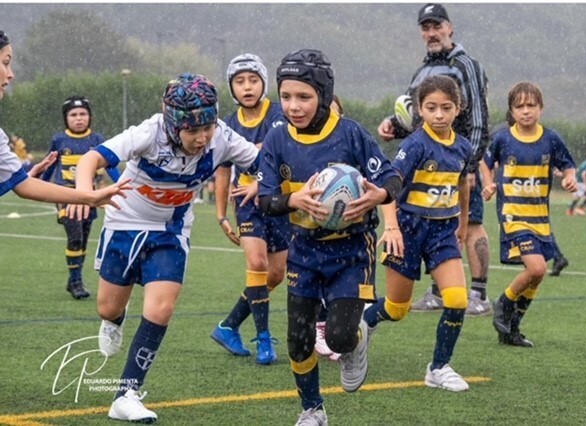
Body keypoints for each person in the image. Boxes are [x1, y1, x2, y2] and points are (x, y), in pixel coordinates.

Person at [70, 73, 261, 423]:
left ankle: (126, 394)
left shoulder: (223, 137)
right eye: (192, 131)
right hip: (125, 222)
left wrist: (263, 183)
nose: (202, 138)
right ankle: (115, 319)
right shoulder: (149, 132)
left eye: (207, 128)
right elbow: (90, 159)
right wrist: (84, 194)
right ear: (173, 125)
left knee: (161, 308)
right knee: (107, 307)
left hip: (171, 231)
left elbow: (266, 163)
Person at [258, 49, 401, 426]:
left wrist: (379, 195)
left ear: (323, 95)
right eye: (286, 96)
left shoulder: (350, 133)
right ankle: (313, 409)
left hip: (352, 251)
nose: (293, 106)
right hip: (303, 252)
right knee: (299, 339)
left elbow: (391, 177)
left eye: (304, 96)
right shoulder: (276, 140)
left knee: (337, 337)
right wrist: (293, 200)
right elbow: (265, 200)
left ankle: (356, 340)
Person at [377, 3, 492, 316]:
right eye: (426, 28)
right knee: (431, 221)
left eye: (437, 26)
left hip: (456, 161)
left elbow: (479, 117)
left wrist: (471, 164)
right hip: (425, 164)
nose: (431, 33)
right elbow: (415, 115)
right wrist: (394, 125)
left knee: (470, 224)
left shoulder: (465, 65)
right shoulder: (423, 70)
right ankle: (439, 291)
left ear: (450, 27)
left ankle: (478, 293)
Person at [365, 75, 472, 392]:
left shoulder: (463, 147)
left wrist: (463, 224)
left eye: (446, 108)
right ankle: (365, 321)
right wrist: (392, 227)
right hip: (408, 230)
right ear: (420, 110)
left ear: (458, 108)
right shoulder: (414, 145)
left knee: (457, 300)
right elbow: (390, 185)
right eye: (431, 108)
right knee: (396, 309)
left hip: (443, 233)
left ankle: (438, 367)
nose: (439, 114)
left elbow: (463, 184)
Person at [480, 81, 577, 348]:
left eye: (531, 105)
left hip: (540, 218)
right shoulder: (503, 138)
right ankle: (503, 303)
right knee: (537, 267)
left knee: (537, 275)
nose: (525, 111)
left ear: (541, 108)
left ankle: (512, 328)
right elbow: (485, 163)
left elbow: (568, 165)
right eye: (519, 106)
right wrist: (488, 183)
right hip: (513, 215)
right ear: (512, 111)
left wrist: (570, 178)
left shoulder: (550, 138)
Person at [210, 53, 288, 365]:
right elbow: (223, 172)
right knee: (257, 264)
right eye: (240, 81)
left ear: (263, 84)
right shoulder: (227, 126)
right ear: (232, 88)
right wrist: (220, 215)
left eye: (253, 80)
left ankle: (228, 326)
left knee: (275, 274)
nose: (247, 87)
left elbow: (279, 154)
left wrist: (262, 181)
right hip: (246, 203)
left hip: (280, 202)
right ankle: (264, 339)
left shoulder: (280, 114)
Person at [0, 30, 130, 207]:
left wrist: (89, 197)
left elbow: (23, 185)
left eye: (82, 114)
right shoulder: (59, 140)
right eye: (5, 63)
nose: (10, 74)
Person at [40, 96, 121, 300]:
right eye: (73, 115)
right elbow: (49, 166)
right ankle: (76, 282)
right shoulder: (59, 140)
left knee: (83, 240)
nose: (78, 118)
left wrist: (121, 183)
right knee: (75, 237)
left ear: (90, 116)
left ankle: (73, 278)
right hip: (65, 195)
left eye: (83, 114)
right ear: (66, 118)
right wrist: (39, 185)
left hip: (89, 196)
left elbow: (110, 165)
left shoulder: (96, 140)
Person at [314, 93, 345, 363]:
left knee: (342, 282)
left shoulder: (350, 145)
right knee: (319, 279)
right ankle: (319, 326)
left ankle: (336, 329)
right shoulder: (306, 147)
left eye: (335, 113)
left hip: (346, 232)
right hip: (311, 231)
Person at [567, 151, 586, 216]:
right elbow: (583, 174)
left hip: (578, 181)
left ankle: (571, 210)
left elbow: (578, 170)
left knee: (578, 197)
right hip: (581, 183)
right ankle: (579, 208)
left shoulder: (584, 162)